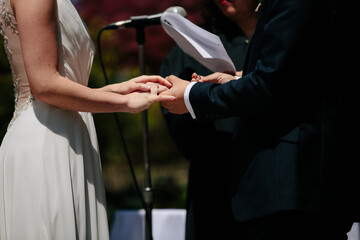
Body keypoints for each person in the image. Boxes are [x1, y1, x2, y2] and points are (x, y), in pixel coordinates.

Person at [160, 0, 360, 239]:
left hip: (292, 182)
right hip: (276, 187)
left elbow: (270, 84)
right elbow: (294, 75)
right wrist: (238, 81)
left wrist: (192, 95)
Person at [0, 0, 174, 239]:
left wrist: (117, 90)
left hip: (66, 133)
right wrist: (123, 104)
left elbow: (62, 83)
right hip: (47, 141)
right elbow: (44, 86)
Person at [160, 0, 258, 239]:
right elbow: (174, 112)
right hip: (213, 182)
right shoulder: (196, 44)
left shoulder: (281, 39)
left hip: (268, 176)